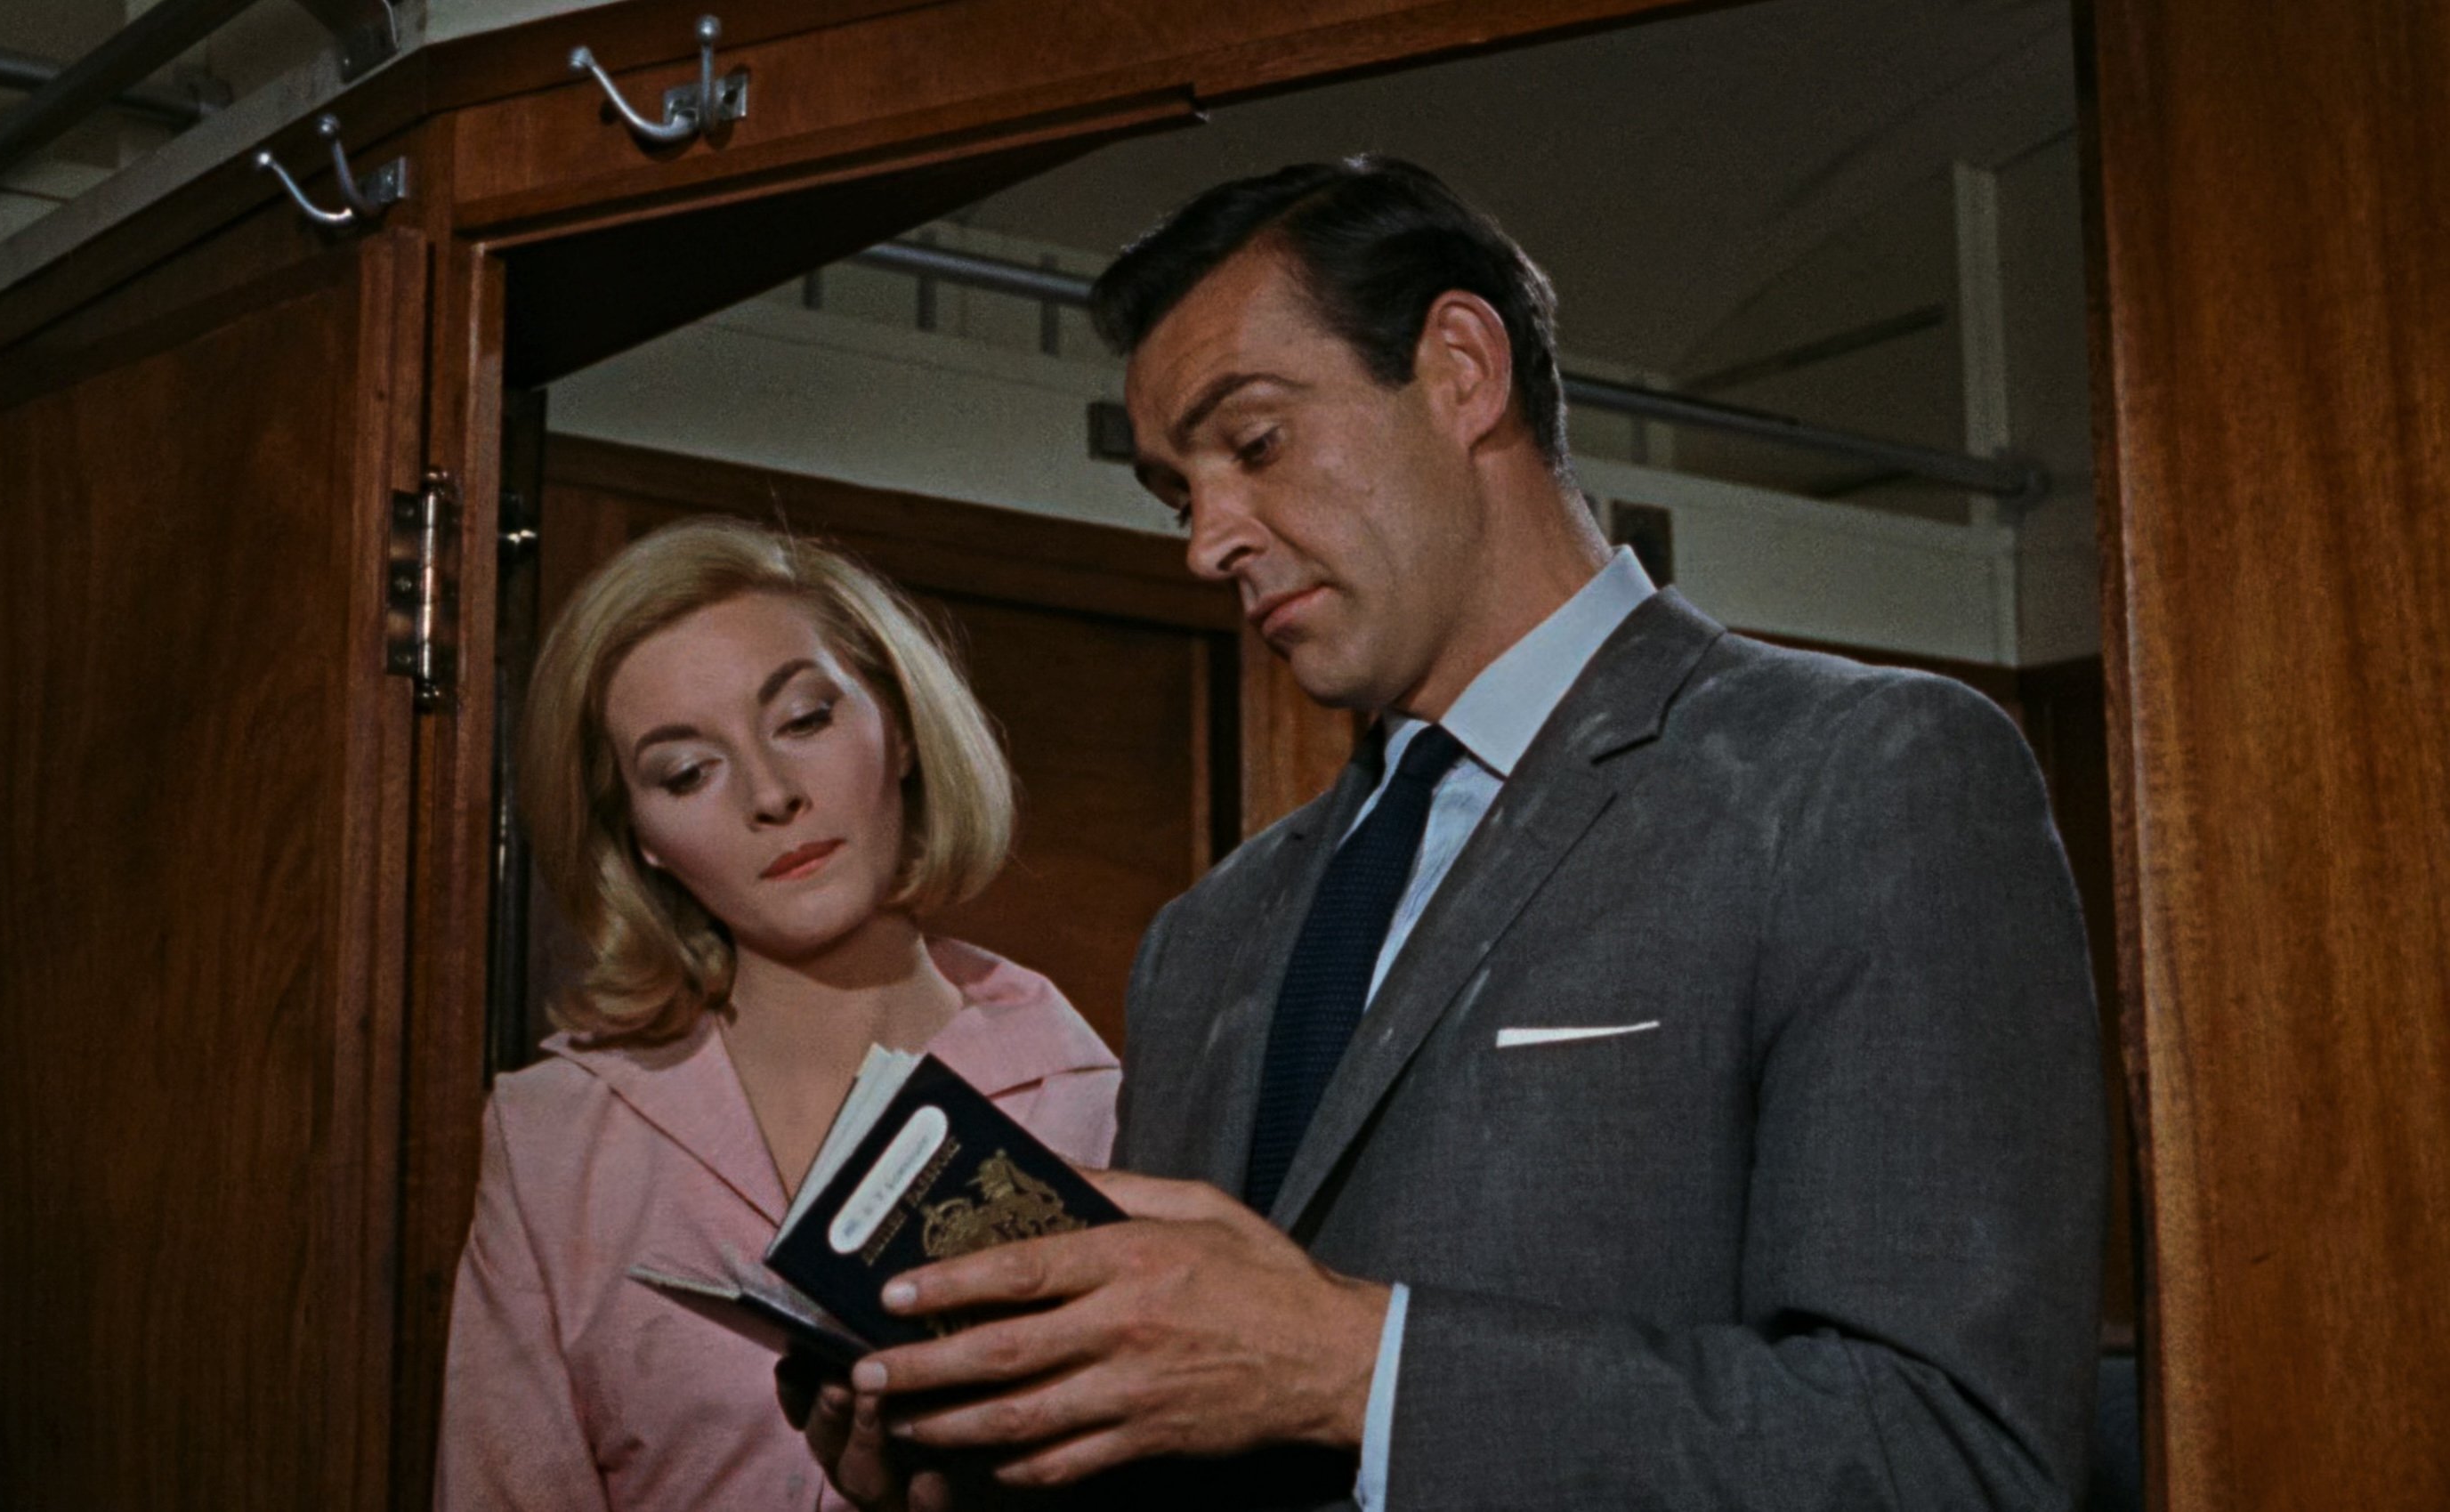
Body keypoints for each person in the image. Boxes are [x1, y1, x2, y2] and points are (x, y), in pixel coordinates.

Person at [796, 158, 2105, 1510]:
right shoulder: (1204, 938)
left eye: (1254, 444)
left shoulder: (1861, 774)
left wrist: (1351, 1368)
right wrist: (993, 1464)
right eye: (1178, 495)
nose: (1207, 542)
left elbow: (1949, 1457)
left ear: (1463, 371)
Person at [434, 518, 1119, 1508]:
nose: (770, 794)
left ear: (900, 726)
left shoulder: (1099, 1104)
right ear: (641, 838)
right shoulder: (556, 1137)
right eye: (687, 771)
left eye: (803, 719)